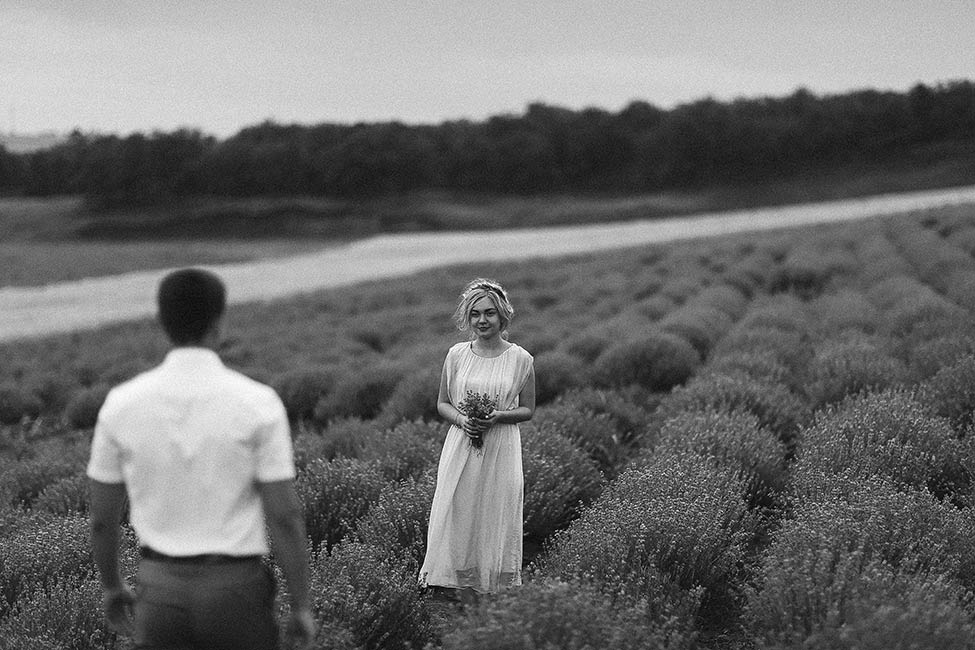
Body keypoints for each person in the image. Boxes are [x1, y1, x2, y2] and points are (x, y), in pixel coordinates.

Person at [87, 268, 316, 650]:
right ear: (220, 322)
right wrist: (301, 606)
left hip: (158, 589)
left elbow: (101, 520)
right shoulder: (258, 402)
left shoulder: (121, 404)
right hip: (236, 591)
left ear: (161, 322)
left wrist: (112, 586)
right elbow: (285, 517)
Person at [419, 278, 536, 599]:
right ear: (467, 319)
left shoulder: (521, 359)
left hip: (501, 446)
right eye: (475, 314)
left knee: (495, 510)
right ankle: (460, 588)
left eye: (489, 313)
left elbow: (528, 409)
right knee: (460, 509)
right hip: (461, 443)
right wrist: (463, 420)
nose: (482, 320)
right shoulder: (456, 355)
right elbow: (442, 402)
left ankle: (491, 589)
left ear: (503, 317)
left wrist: (497, 417)